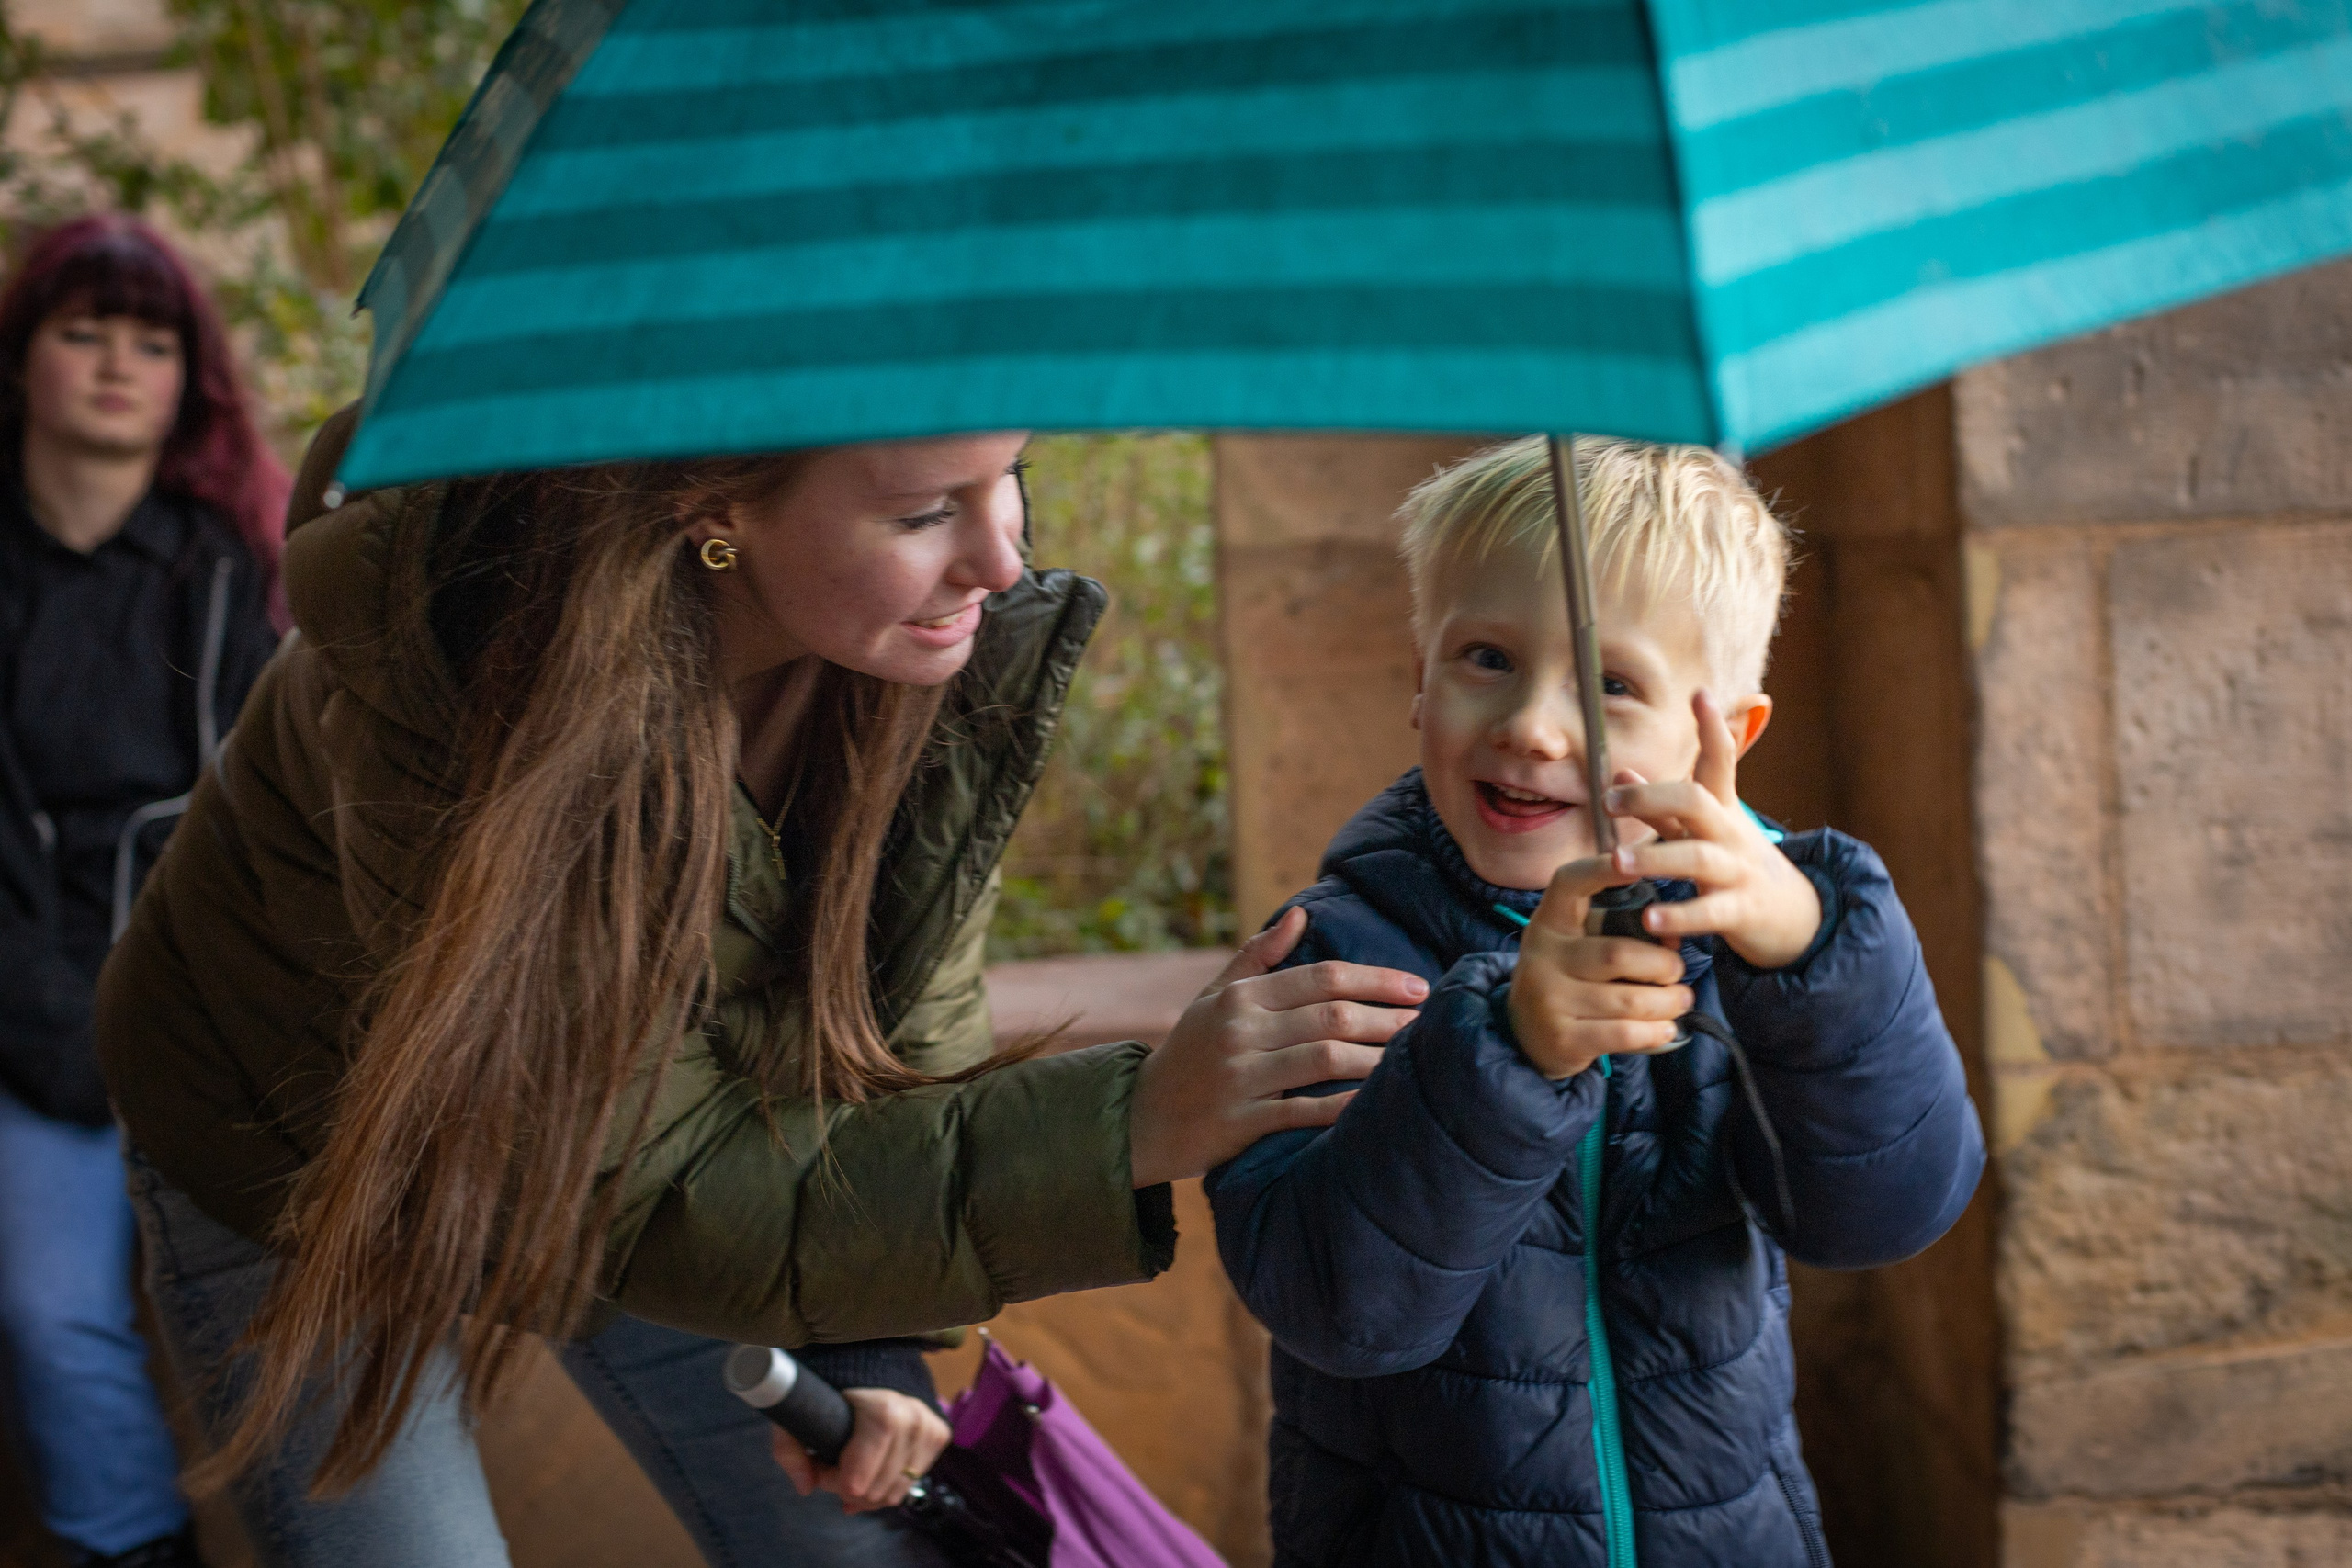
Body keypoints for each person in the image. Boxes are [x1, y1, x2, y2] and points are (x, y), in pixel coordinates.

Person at [93, 406, 1424, 1566]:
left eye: (1010, 474)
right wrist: (1132, 1122)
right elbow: (658, 1192)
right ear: (716, 510)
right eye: (924, 510)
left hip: (654, 1140)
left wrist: (867, 1345)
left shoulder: (909, 627)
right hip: (301, 1140)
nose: (1003, 554)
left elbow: (896, 999)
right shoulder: (471, 688)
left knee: (867, 1532)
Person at [1206, 436, 1986, 1566]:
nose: (1531, 726)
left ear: (1726, 731)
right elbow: (1338, 1307)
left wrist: (1809, 962)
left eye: (1610, 684)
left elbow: (1881, 1214)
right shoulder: (1332, 958)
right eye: (1484, 657)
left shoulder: (1755, 934)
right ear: (1418, 679)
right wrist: (1504, 1056)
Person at [0, 214, 286, 1567]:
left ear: (188, 379)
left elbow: (272, 837)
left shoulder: (231, 572)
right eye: (82, 330)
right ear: (22, 362)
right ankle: (135, 1547)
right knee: (47, 1303)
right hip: (21, 1023)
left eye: (153, 339)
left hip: (209, 1019)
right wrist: (62, 1033)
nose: (119, 362)